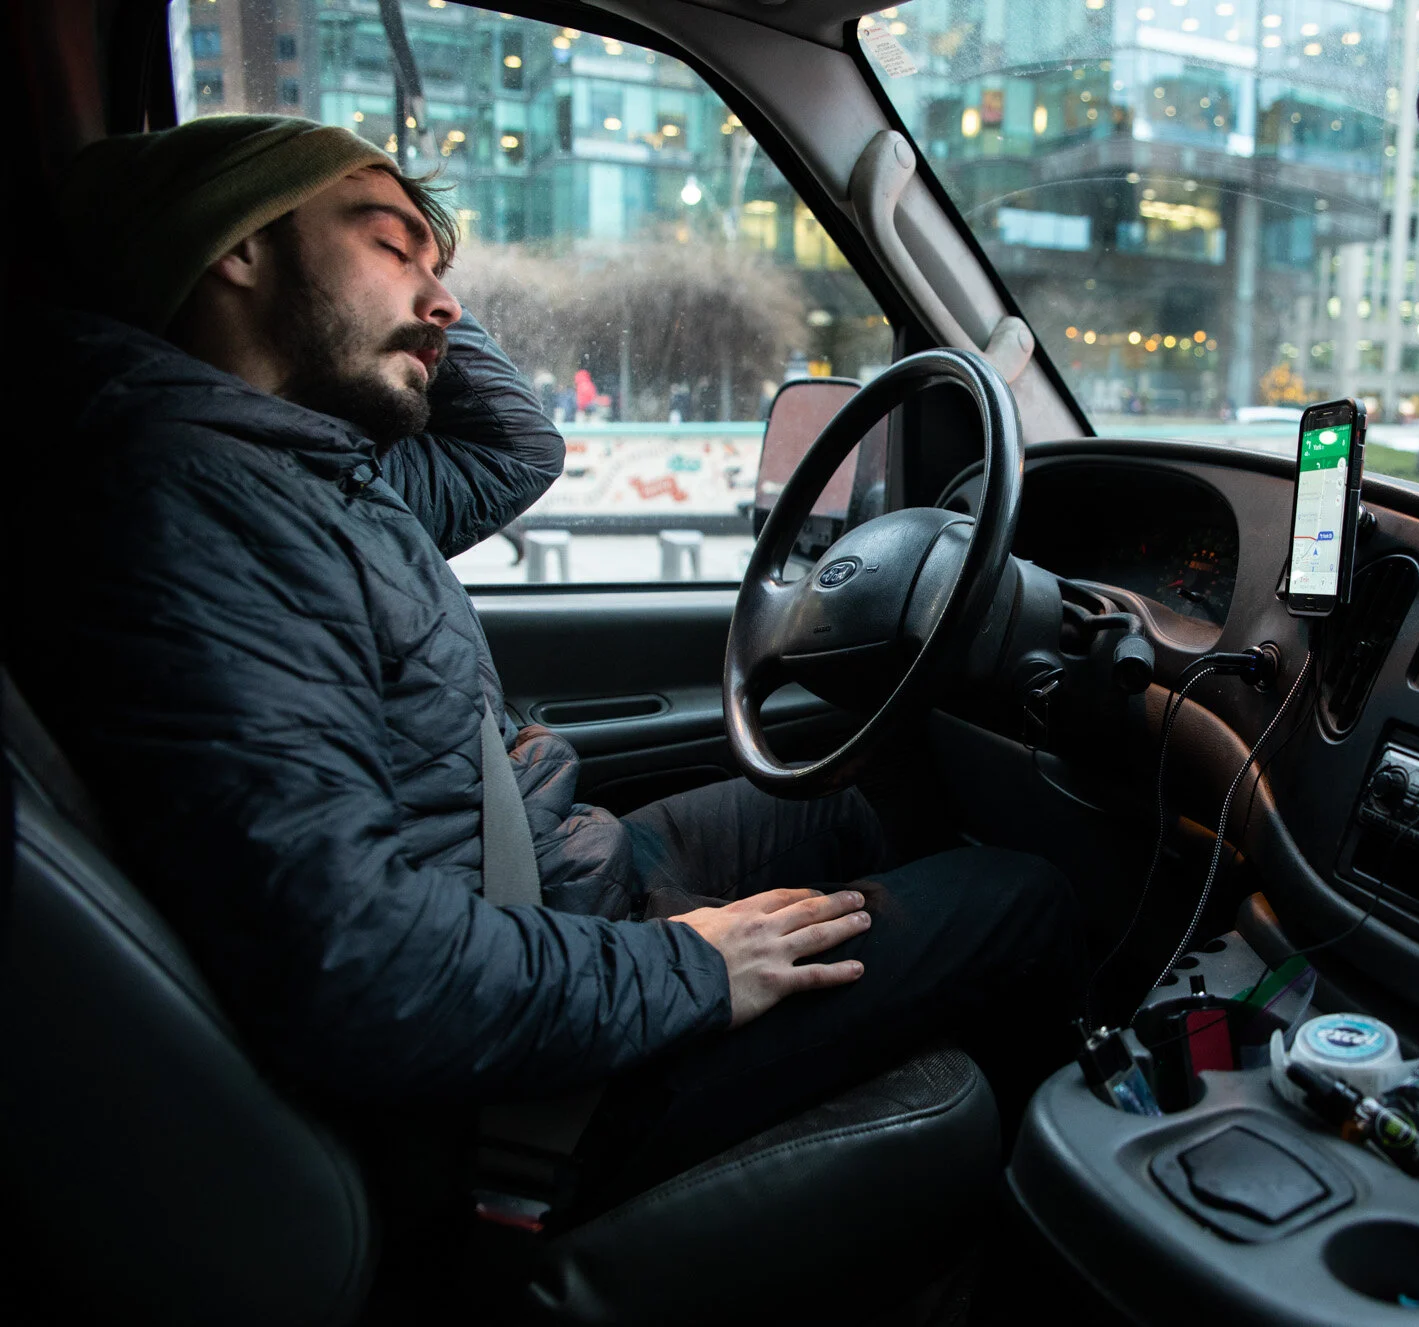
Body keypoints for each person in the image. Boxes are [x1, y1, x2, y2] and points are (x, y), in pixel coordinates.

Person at [14, 116, 1082, 1231]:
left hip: (536, 884)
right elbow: (362, 967)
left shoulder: (300, 465)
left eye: (448, 272)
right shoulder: (189, 507)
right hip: (510, 1094)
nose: (441, 301)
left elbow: (509, 450)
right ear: (233, 244)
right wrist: (691, 970)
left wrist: (416, 291)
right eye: (392, 246)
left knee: (859, 802)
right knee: (1023, 898)